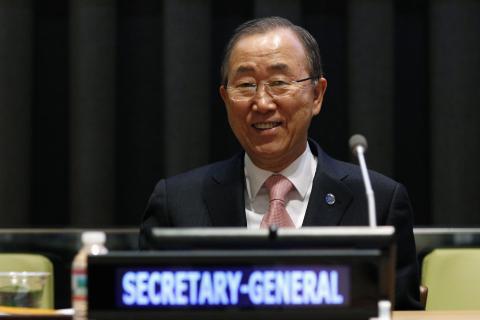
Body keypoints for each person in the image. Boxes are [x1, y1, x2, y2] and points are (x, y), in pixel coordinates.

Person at [140, 16, 422, 310]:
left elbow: (402, 314)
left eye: (278, 82)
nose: (262, 103)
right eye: (246, 85)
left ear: (317, 95)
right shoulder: (178, 203)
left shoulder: (377, 203)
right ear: (225, 99)